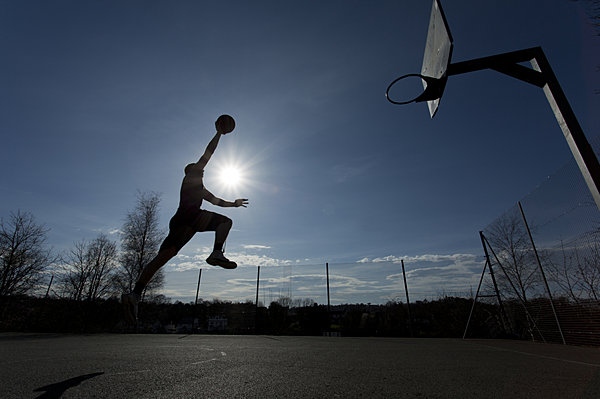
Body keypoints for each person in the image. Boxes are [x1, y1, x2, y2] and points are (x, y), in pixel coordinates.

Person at [122, 115, 248, 324]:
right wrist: (219, 134)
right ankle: (216, 253)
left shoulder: (200, 188)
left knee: (162, 258)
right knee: (225, 223)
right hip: (189, 217)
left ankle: (134, 295)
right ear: (192, 170)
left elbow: (216, 201)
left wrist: (233, 204)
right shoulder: (192, 176)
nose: (204, 170)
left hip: (183, 221)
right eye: (200, 168)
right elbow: (208, 154)